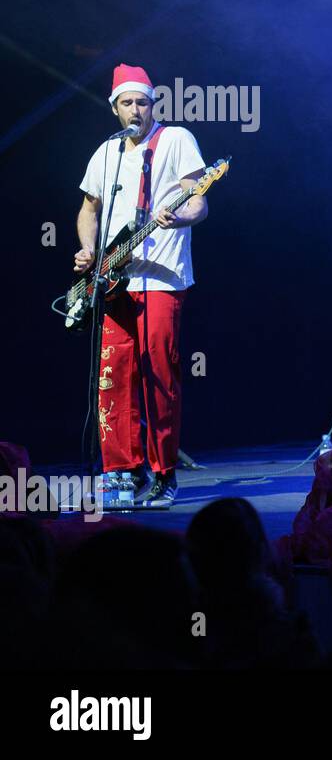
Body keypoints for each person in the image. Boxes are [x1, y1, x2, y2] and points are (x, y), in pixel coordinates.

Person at [74, 64, 207, 506]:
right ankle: (120, 475)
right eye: (127, 102)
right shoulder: (107, 152)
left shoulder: (176, 140)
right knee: (113, 377)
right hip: (114, 281)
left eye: (143, 102)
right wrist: (89, 251)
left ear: (154, 104)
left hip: (162, 279)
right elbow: (89, 209)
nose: (136, 109)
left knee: (159, 375)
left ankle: (164, 474)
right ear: (114, 108)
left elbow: (199, 200)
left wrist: (180, 216)